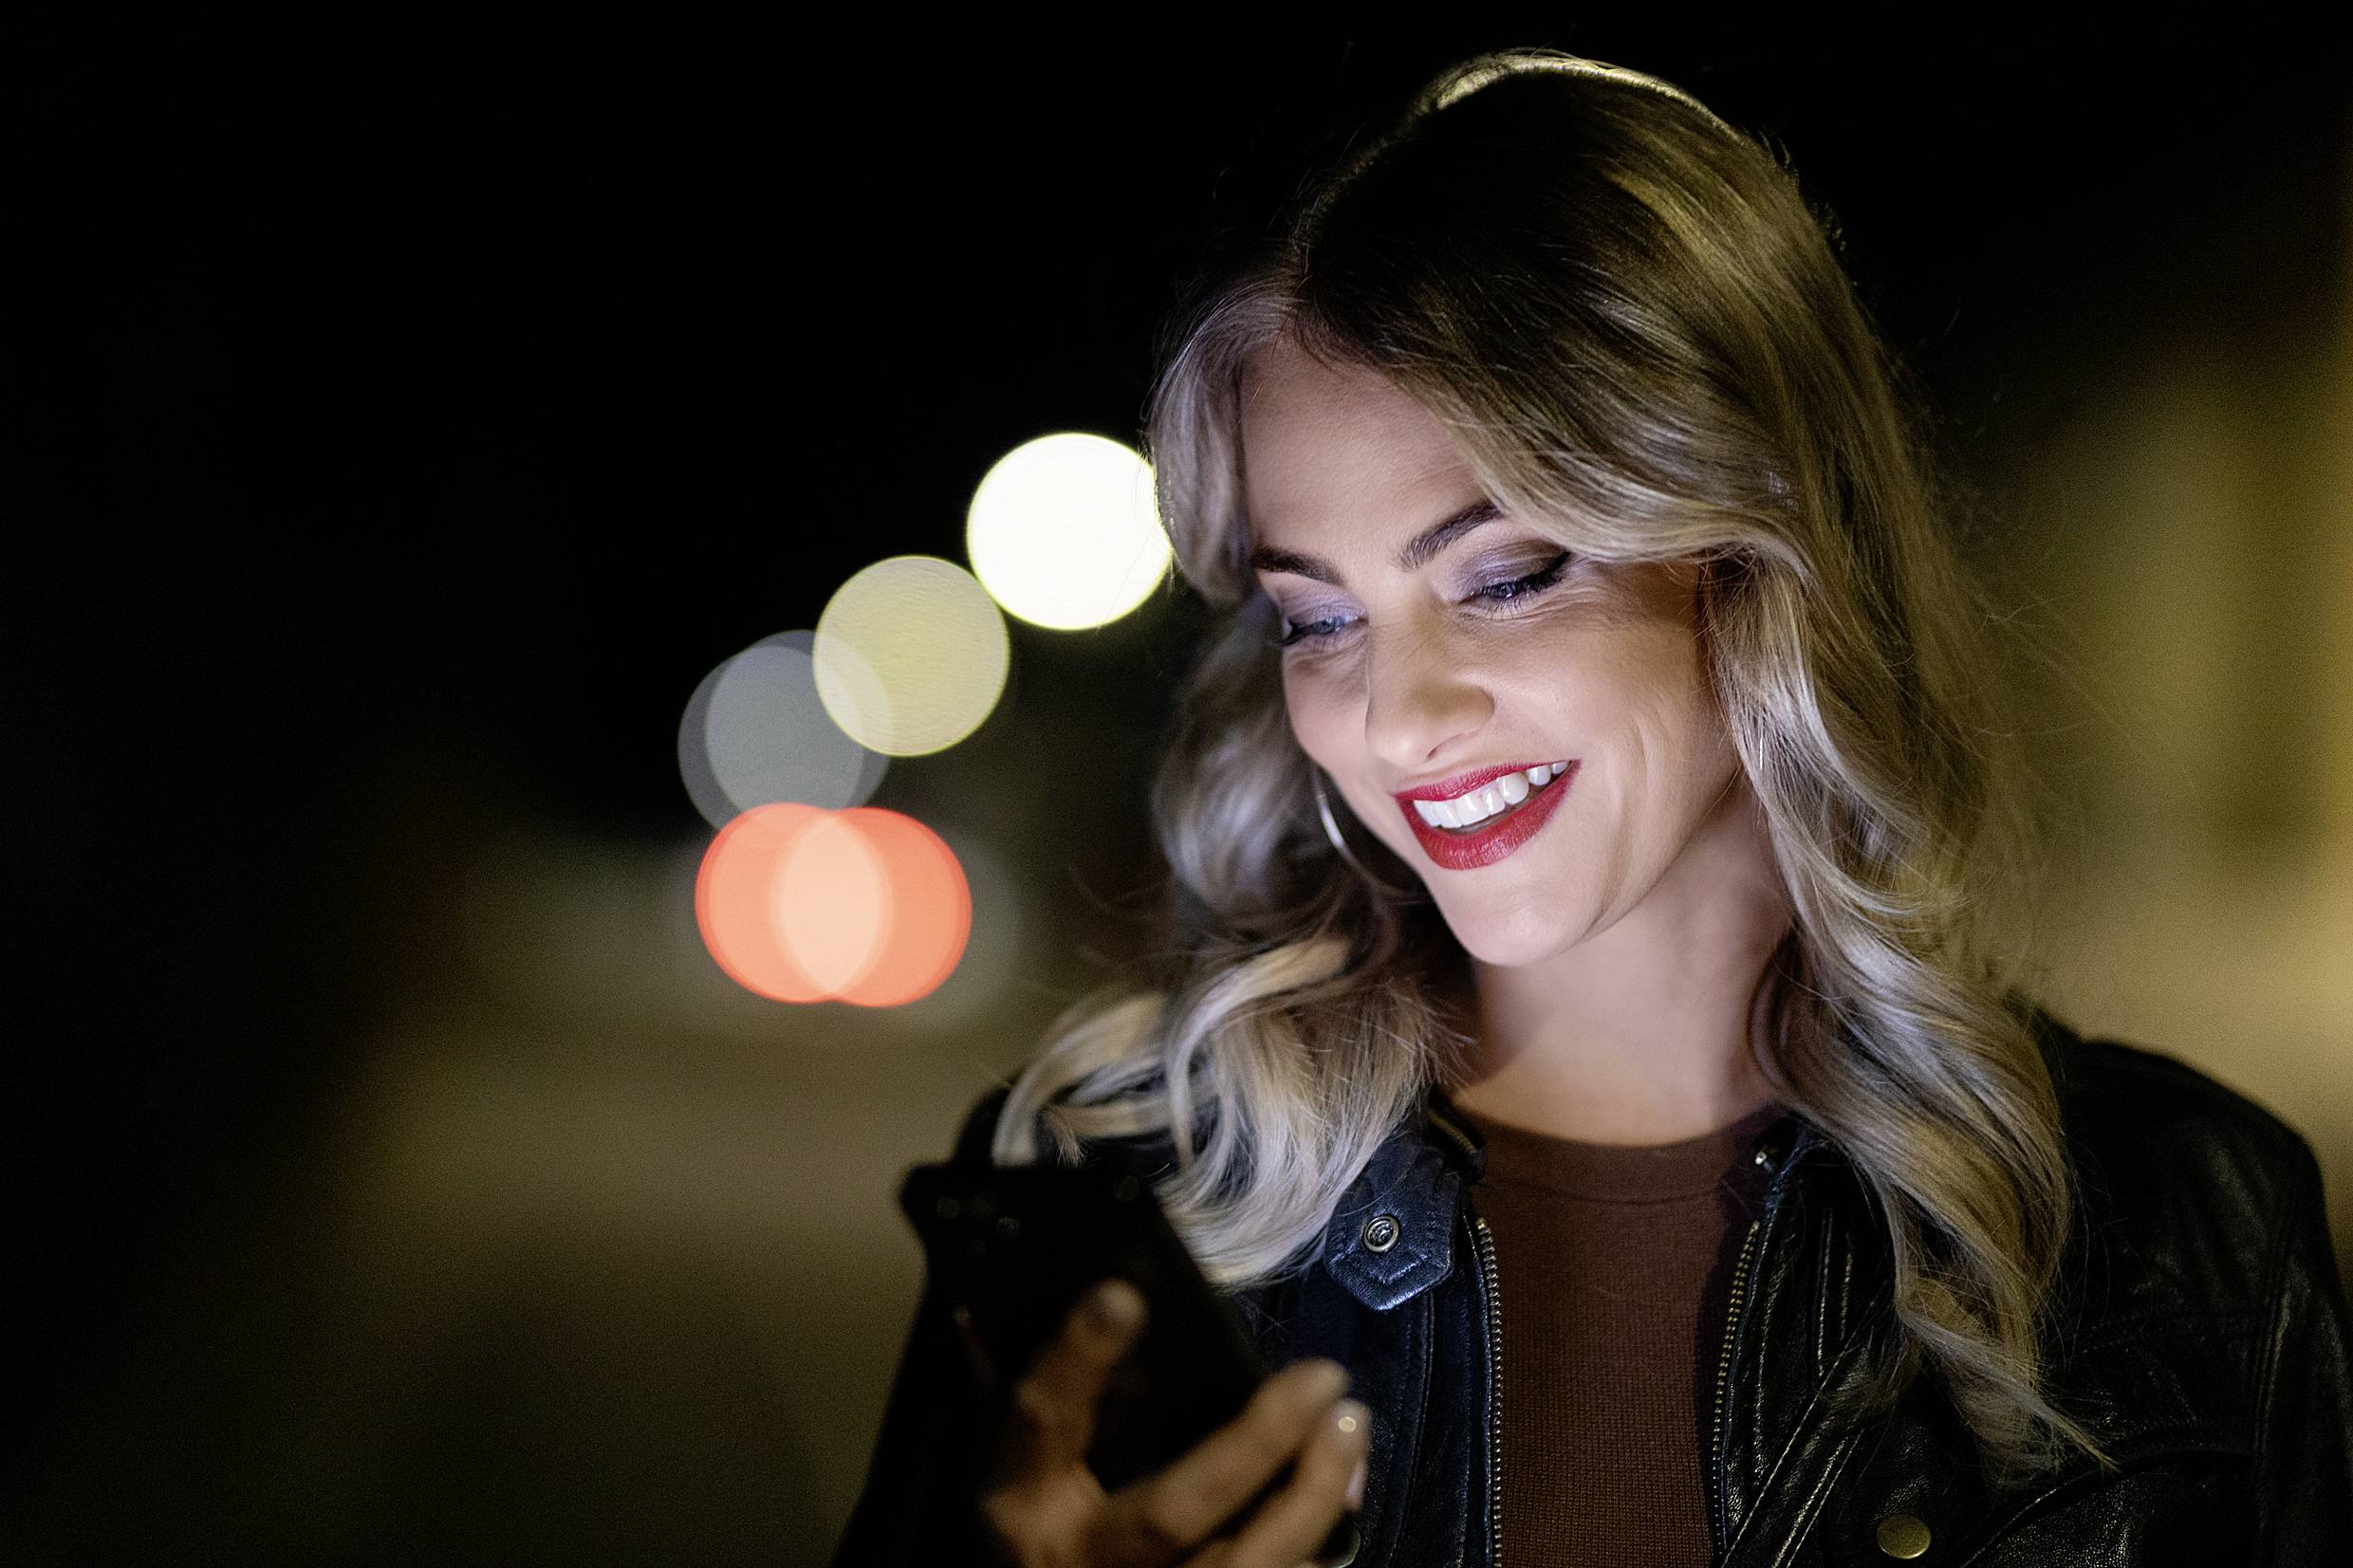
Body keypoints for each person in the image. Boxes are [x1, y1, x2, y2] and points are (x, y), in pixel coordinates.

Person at [832, 48, 2353, 1567]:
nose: (1397, 717)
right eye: (1319, 616)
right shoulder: (1121, 1190)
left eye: (1505, 576)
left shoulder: (2194, 1227)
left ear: (1761, 549)